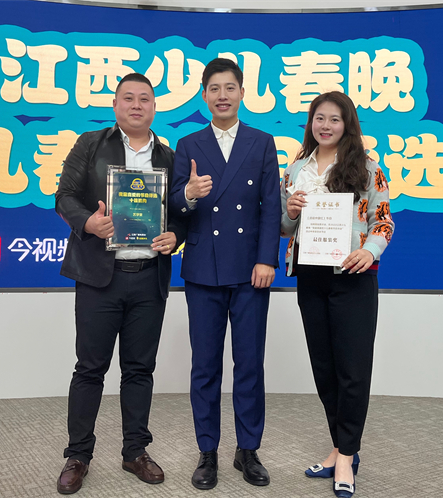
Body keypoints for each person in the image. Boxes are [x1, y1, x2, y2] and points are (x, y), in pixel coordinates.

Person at [54, 73, 186, 495]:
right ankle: (78, 455)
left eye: (144, 99)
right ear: (115, 106)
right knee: (90, 369)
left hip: (149, 278)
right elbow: (64, 196)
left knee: (139, 370)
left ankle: (135, 452)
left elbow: (181, 213)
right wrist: (87, 223)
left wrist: (175, 235)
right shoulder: (91, 144)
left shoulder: (168, 157)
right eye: (128, 98)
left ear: (154, 107)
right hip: (99, 278)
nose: (136, 105)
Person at [168, 58, 281, 490]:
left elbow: (271, 205)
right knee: (205, 366)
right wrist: (189, 194)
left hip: (251, 270)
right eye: (214, 88)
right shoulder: (188, 144)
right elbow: (174, 205)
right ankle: (208, 451)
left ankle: (247, 449)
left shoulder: (262, 142)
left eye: (229, 88)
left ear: (242, 93)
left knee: (249, 363)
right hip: (203, 269)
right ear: (204, 95)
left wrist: (267, 259)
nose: (222, 95)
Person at [280, 91, 394, 498]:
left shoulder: (367, 167)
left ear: (347, 124)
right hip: (310, 277)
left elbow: (383, 222)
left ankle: (346, 457)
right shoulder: (296, 169)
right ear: (310, 123)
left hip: (352, 276)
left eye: (334, 119)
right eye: (319, 118)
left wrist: (369, 250)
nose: (325, 125)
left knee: (353, 370)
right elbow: (283, 227)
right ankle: (340, 447)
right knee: (324, 368)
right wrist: (290, 212)